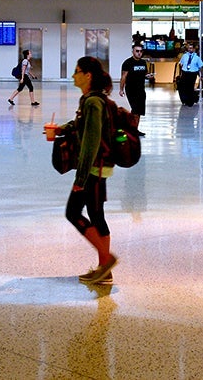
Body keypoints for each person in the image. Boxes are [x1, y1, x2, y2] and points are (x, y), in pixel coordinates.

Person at [61, 56, 118, 286]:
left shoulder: (93, 102)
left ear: (88, 75)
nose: (73, 75)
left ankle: (107, 261)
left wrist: (80, 178)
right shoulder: (89, 100)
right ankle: (105, 270)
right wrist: (61, 129)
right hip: (98, 168)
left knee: (73, 212)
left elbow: (91, 143)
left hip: (94, 169)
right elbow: (79, 125)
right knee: (96, 216)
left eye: (76, 71)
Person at [119, 43, 149, 136]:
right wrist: (121, 89)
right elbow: (123, 77)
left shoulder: (143, 63)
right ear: (133, 52)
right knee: (135, 110)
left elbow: (144, 74)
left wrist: (148, 76)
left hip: (141, 90)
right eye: (137, 51)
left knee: (139, 111)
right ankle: (132, 130)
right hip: (131, 90)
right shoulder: (127, 63)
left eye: (141, 51)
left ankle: (134, 129)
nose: (139, 53)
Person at [176, 41, 203, 106]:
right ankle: (184, 100)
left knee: (190, 87)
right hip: (185, 72)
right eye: (189, 48)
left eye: (191, 48)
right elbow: (181, 64)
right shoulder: (184, 56)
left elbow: (201, 66)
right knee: (183, 87)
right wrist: (181, 73)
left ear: (194, 49)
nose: (190, 49)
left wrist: (201, 75)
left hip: (192, 73)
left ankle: (190, 101)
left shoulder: (197, 58)